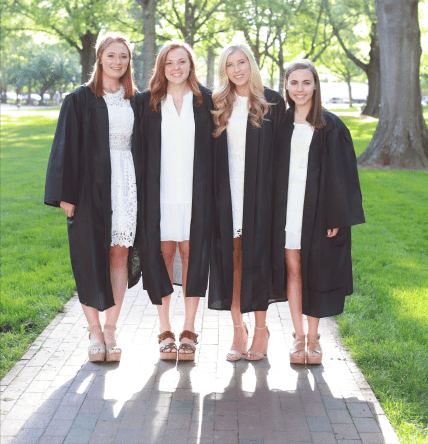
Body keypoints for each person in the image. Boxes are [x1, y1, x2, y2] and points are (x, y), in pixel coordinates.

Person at [45, 33, 140, 363]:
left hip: (126, 184)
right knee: (88, 256)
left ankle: (111, 329)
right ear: (99, 58)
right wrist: (66, 195)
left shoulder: (134, 99)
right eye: (112, 55)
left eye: (124, 57)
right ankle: (93, 331)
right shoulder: (80, 99)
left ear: (129, 61)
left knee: (119, 254)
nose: (118, 61)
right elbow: (65, 147)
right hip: (89, 187)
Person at [272, 59, 365, 364]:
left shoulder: (330, 125)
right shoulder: (279, 124)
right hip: (286, 209)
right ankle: (298, 337)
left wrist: (335, 216)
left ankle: (314, 337)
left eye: (306, 82)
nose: (300, 89)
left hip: (316, 210)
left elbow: (342, 176)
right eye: (294, 82)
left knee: (316, 269)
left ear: (315, 86)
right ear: (286, 85)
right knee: (294, 269)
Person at [135, 41, 213, 361]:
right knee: (162, 256)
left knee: (192, 257)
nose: (176, 68)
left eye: (182, 62)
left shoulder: (206, 101)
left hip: (196, 195)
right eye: (169, 63)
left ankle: (190, 329)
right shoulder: (147, 102)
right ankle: (165, 329)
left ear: (191, 65)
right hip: (161, 194)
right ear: (161, 68)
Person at [209, 43, 285, 362]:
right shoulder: (217, 104)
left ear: (251, 64)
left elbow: (283, 154)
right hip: (228, 194)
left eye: (242, 63)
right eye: (230, 65)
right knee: (233, 263)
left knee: (259, 262)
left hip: (261, 196)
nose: (237, 69)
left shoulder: (271, 102)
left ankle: (261, 330)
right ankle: (238, 329)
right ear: (224, 70)